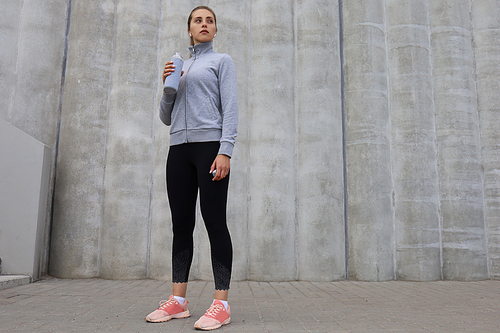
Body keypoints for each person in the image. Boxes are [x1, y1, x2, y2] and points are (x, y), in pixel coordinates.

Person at [145, 5, 238, 331]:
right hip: (178, 151)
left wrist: (225, 151)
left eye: (209, 20)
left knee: (214, 223)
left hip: (210, 150)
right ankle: (178, 301)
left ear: (214, 29)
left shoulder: (221, 61)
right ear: (189, 28)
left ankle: (221, 303)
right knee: (181, 225)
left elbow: (231, 108)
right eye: (197, 20)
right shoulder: (179, 65)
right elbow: (165, 117)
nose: (203, 24)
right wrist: (169, 85)